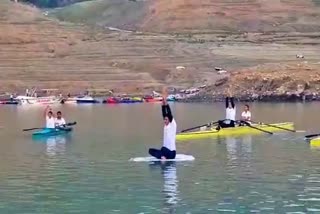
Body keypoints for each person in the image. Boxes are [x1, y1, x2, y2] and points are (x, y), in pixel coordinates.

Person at [149, 89, 177, 160]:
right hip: (165, 150)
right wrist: (162, 106)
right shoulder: (166, 125)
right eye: (164, 120)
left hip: (171, 152)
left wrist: (166, 104)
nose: (165, 121)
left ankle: (162, 156)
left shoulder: (172, 125)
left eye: (166, 120)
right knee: (150, 150)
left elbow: (169, 114)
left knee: (162, 150)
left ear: (170, 120)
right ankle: (162, 156)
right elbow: (164, 114)